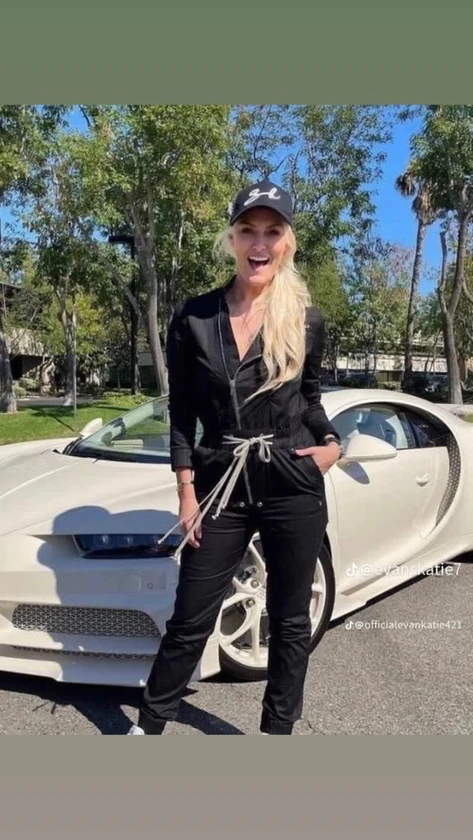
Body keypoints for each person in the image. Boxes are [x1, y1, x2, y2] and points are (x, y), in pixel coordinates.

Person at [128, 178, 342, 736]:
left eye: (272, 231)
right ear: (232, 239)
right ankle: (148, 727)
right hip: (221, 480)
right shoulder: (195, 317)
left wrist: (331, 446)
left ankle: (276, 734)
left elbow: (310, 398)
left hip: (292, 477)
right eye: (249, 230)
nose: (260, 243)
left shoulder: (305, 318)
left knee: (290, 619)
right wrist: (185, 490)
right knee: (190, 616)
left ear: (287, 242)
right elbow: (182, 413)